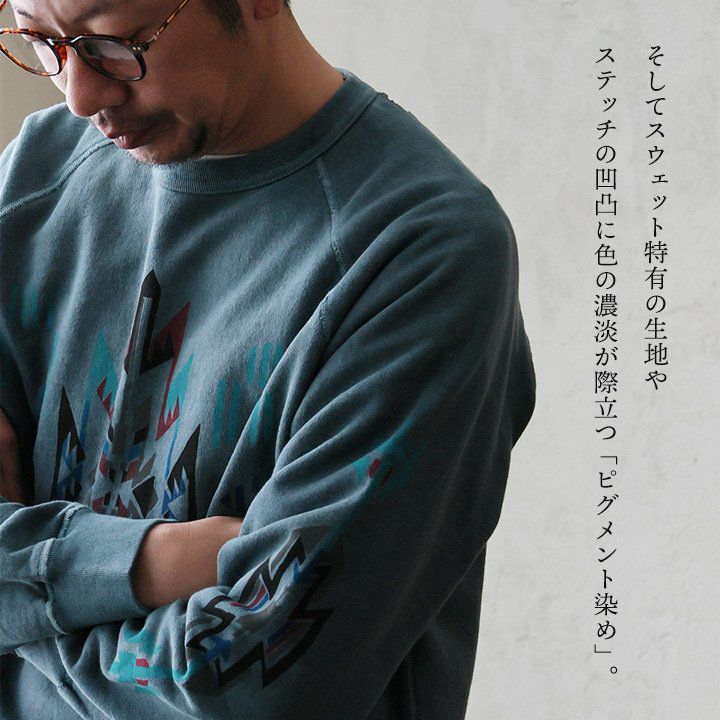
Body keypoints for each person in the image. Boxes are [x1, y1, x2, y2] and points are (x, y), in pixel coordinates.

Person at [0, 0, 536, 718]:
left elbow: (252, 691)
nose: (79, 95)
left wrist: (23, 604)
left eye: (113, 44)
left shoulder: (420, 250)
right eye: (42, 42)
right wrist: (150, 564)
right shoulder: (35, 179)